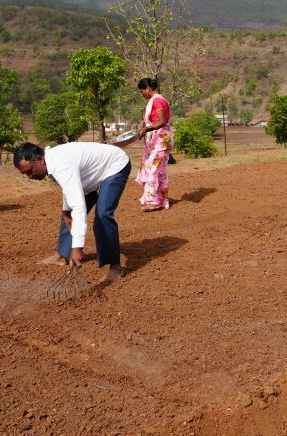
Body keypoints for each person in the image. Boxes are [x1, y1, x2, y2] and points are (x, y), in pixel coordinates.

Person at [13, 141, 132, 282]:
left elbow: (78, 205)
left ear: (40, 160)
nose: (30, 177)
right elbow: (68, 188)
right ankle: (62, 255)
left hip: (114, 166)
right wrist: (65, 211)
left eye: (29, 171)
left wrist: (77, 246)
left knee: (103, 215)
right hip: (90, 175)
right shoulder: (50, 162)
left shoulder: (61, 164)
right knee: (68, 215)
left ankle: (116, 268)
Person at [135, 77, 174, 212]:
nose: (142, 95)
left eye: (142, 92)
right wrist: (145, 124)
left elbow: (162, 121)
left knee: (152, 168)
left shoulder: (157, 101)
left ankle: (153, 201)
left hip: (160, 140)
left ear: (148, 89)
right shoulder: (158, 100)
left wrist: (147, 129)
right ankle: (162, 200)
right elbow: (155, 119)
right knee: (160, 171)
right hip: (160, 140)